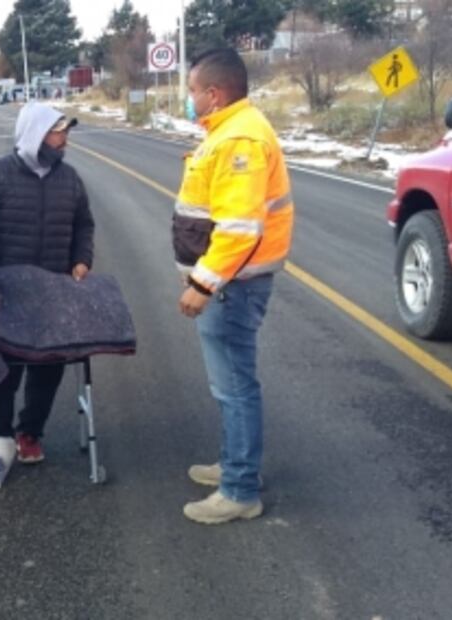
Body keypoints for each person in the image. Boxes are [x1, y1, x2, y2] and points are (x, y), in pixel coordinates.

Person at [172, 48, 294, 525]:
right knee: (229, 386)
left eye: (192, 92)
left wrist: (202, 284)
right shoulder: (229, 132)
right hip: (232, 282)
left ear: (214, 93)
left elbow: (240, 227)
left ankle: (240, 489)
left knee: (235, 387)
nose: (190, 99)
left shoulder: (239, 140)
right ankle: (234, 464)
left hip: (233, 286)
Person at [0, 102, 94, 465]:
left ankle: (30, 432)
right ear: (36, 134)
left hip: (54, 292)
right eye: (57, 132)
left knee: (48, 367)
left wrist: (82, 259)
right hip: (6, 293)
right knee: (5, 369)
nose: (65, 140)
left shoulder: (71, 179)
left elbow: (84, 224)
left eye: (65, 132)